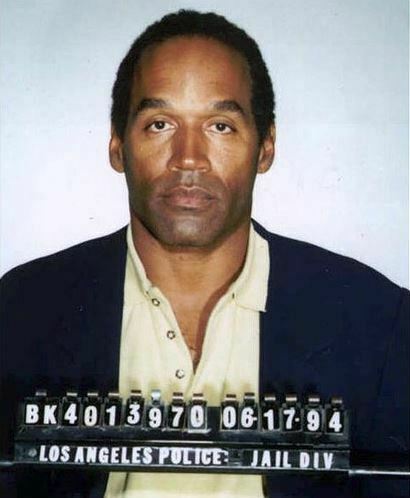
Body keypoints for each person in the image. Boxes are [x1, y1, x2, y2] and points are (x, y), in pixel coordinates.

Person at [0, 9, 408, 498]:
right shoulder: (18, 312)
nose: (188, 157)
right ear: (117, 145)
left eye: (220, 126)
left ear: (266, 147)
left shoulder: (380, 324)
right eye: (159, 124)